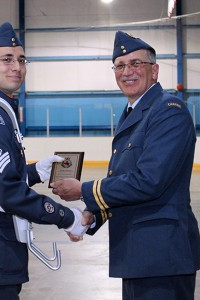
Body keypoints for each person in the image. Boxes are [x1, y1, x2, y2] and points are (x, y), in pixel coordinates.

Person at [51, 31, 200, 300]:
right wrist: (92, 214)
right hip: (138, 253)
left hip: (162, 256)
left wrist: (84, 190)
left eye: (136, 64)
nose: (127, 71)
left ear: (154, 71)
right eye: (120, 65)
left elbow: (149, 182)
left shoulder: (169, 110)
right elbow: (124, 180)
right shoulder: (135, 113)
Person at [0, 22, 87, 300]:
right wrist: (67, 218)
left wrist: (34, 171)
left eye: (21, 60)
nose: (17, 67)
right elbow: (8, 191)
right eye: (6, 59)